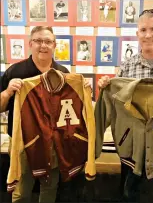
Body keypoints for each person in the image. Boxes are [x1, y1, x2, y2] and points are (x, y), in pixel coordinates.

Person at [97, 9, 153, 203]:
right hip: (133, 145)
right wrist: (105, 87)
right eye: (143, 29)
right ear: (137, 34)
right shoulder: (127, 66)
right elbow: (115, 102)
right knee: (129, 195)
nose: (148, 34)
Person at [0, 26, 91, 203]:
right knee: (21, 190)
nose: (43, 45)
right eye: (38, 41)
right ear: (30, 44)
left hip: (53, 142)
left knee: (49, 188)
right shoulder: (15, 72)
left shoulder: (63, 73)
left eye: (48, 42)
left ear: (54, 45)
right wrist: (8, 92)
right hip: (22, 143)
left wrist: (84, 89)